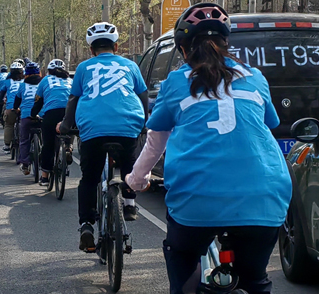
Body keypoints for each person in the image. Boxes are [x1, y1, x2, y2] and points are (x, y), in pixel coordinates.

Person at [125, 3, 292, 294]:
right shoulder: (255, 77)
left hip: (196, 198)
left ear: (182, 49)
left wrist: (137, 180)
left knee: (184, 259)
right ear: (227, 43)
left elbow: (156, 141)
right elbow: (269, 124)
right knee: (254, 279)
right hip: (264, 196)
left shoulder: (176, 82)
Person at [57, 22, 149, 251]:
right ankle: (129, 203)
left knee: (89, 178)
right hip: (128, 125)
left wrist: (66, 125)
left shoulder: (84, 68)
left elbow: (73, 99)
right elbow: (143, 94)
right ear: (116, 46)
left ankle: (87, 224)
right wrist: (144, 123)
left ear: (91, 50)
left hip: (93, 128)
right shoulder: (130, 65)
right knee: (129, 163)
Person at [31, 59, 73, 186]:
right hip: (69, 112)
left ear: (49, 71)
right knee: (69, 128)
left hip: (51, 114)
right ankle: (68, 147)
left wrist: (33, 115)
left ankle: (44, 177)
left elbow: (38, 101)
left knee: (48, 145)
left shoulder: (45, 80)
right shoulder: (71, 81)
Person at [13, 62, 43, 174]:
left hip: (26, 115)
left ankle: (25, 164)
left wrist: (16, 109)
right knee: (46, 138)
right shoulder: (43, 83)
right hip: (42, 115)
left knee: (24, 139)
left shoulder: (22, 85)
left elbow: (17, 101)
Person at [0, 62, 25, 153]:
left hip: (11, 107)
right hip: (23, 108)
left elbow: (1, 94)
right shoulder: (25, 82)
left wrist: (0, 101)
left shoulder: (7, 82)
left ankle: (6, 145)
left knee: (9, 125)